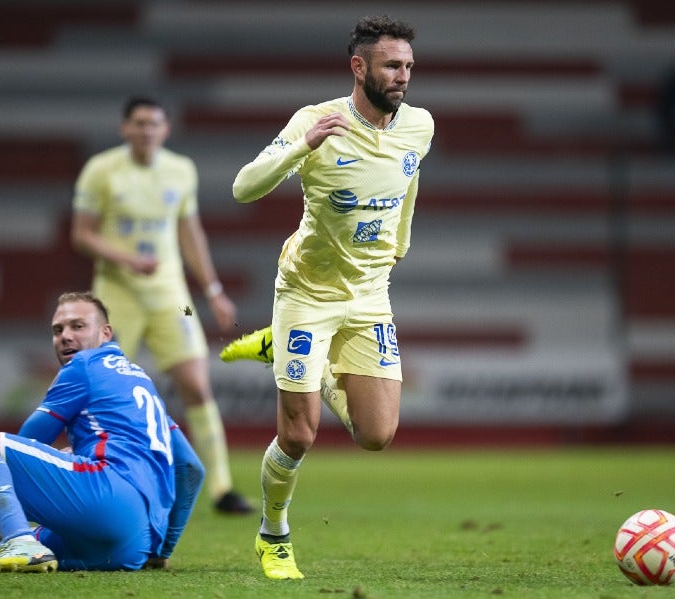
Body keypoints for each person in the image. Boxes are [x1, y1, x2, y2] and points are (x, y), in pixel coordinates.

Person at [221, 15, 434, 580]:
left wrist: (401, 244)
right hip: (306, 293)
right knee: (299, 434)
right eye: (392, 65)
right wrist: (301, 148)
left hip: (369, 294)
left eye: (409, 66)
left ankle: (301, 363)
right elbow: (243, 187)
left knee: (377, 436)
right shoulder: (316, 120)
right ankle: (274, 534)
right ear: (359, 67)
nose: (403, 77)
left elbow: (408, 183)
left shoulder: (419, 126)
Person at [71, 95, 252, 514]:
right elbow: (81, 235)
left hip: (175, 299)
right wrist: (127, 259)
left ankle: (222, 488)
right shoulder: (101, 171)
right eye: (138, 123)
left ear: (166, 129)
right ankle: (87, 474)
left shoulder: (180, 170)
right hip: (116, 296)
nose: (146, 130)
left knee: (196, 383)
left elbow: (191, 234)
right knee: (98, 389)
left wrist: (213, 291)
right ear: (125, 128)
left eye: (154, 123)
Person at [0, 291, 204, 573]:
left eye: (78, 326)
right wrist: (162, 549)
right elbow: (191, 467)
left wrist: (60, 457)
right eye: (57, 329)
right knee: (9, 540)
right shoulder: (141, 382)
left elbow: (28, 442)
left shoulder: (83, 365)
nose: (65, 335)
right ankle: (2, 542)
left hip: (106, 496)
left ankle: (20, 543)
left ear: (105, 333)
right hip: (133, 546)